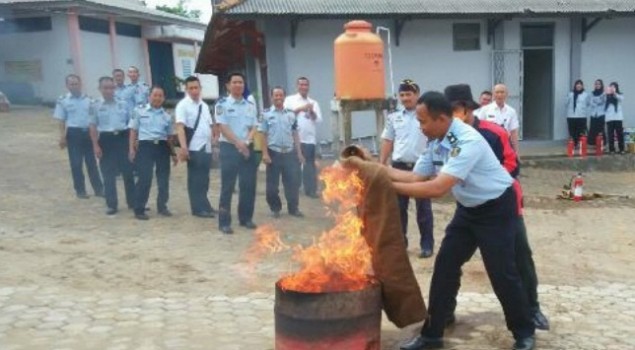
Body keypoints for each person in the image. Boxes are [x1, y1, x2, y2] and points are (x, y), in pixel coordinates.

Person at [392, 91, 535, 350]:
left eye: (423, 121)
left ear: (442, 118)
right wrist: (370, 170)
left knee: (502, 273)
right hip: (468, 209)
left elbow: (437, 188)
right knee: (445, 265)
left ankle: (524, 331)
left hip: (496, 209)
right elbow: (415, 177)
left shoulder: (466, 141)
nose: (419, 127)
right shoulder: (436, 140)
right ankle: (432, 334)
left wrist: (387, 187)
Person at [447, 84, 550, 331]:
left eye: (453, 110)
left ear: (466, 109)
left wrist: (487, 185)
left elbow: (512, 165)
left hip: (504, 206)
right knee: (449, 260)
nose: (451, 116)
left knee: (519, 258)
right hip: (470, 206)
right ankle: (445, 311)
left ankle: (532, 309)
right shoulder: (449, 137)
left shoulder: (494, 132)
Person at [379, 79, 434, 259]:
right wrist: (382, 163)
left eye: (409, 94)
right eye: (402, 95)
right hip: (399, 166)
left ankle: (426, 245)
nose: (405, 98)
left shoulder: (427, 115)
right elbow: (388, 141)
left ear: (417, 95)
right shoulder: (394, 117)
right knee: (398, 209)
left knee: (423, 209)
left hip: (421, 166)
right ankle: (401, 244)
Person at [215, 72, 259, 234]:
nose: (238, 85)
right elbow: (223, 127)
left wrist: (246, 142)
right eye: (235, 82)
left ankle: (246, 218)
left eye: (241, 82)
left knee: (248, 185)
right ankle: (224, 222)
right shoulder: (222, 104)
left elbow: (254, 126)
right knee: (228, 186)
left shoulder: (250, 105)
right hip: (229, 148)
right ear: (228, 85)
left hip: (247, 147)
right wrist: (239, 143)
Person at [128, 86, 177, 220]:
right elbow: (133, 130)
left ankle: (162, 206)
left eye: (160, 96)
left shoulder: (167, 116)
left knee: (163, 179)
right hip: (145, 146)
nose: (157, 98)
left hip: (162, 147)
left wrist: (173, 153)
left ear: (164, 98)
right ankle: (139, 209)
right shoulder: (139, 111)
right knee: (145, 178)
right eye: (155, 95)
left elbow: (169, 137)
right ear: (149, 96)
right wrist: (131, 149)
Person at [88, 77, 135, 215]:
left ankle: (132, 202)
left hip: (122, 138)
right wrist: (95, 145)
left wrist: (132, 145)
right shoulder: (95, 105)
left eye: (111, 87)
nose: (109, 91)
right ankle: (112, 204)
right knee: (108, 174)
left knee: (128, 173)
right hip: (106, 140)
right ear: (100, 89)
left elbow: (131, 124)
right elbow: (92, 126)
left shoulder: (123, 103)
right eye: (105, 88)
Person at [53, 74, 104, 199]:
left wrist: (96, 136)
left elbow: (94, 120)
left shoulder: (89, 100)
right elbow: (61, 120)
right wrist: (62, 137)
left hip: (88, 134)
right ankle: (80, 190)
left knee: (92, 163)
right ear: (67, 85)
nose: (74, 86)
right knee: (76, 164)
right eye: (71, 84)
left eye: (76, 83)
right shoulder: (63, 100)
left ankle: (99, 189)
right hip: (73, 134)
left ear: (80, 84)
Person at [260, 87, 305, 219]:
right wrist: (265, 153)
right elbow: (263, 135)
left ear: (284, 97)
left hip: (289, 153)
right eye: (275, 95)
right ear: (271, 97)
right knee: (272, 187)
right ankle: (275, 208)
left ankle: (293, 208)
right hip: (273, 153)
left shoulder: (291, 114)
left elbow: (295, 134)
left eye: (280, 95)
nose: (278, 98)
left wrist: (299, 153)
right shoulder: (266, 114)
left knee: (292, 184)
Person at [175, 76, 216, 218]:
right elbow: (180, 127)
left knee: (205, 178)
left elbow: (210, 125)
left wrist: (213, 140)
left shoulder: (204, 106)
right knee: (195, 179)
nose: (194, 91)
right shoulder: (183, 105)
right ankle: (197, 208)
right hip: (193, 147)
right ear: (186, 89)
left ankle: (205, 205)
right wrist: (183, 147)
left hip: (206, 146)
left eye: (196, 87)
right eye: (191, 88)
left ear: (200, 88)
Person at [284, 77, 322, 199]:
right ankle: (294, 188)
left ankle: (310, 190)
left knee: (310, 165)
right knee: (294, 164)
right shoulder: (290, 100)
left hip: (309, 138)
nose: (304, 87)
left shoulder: (313, 102)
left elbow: (319, 120)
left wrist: (311, 112)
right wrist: (301, 109)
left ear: (308, 87)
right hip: (295, 138)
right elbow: (285, 116)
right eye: (301, 85)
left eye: (306, 85)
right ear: (297, 86)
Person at [476, 84, 520, 153]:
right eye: (497, 92)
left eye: (502, 92)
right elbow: (477, 128)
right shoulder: (485, 109)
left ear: (507, 94)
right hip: (489, 145)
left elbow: (513, 132)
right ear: (493, 94)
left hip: (505, 145)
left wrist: (516, 151)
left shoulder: (511, 111)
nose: (499, 95)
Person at [565, 79, 590, 144]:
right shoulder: (570, 94)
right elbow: (566, 103)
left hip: (581, 116)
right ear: (575, 86)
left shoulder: (585, 94)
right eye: (577, 84)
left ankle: (579, 144)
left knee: (580, 131)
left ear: (582, 86)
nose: (578, 86)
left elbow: (588, 103)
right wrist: (568, 97)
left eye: (580, 84)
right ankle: (573, 144)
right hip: (571, 116)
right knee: (572, 131)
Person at [605, 82, 625, 154]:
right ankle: (611, 150)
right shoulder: (606, 96)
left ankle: (622, 149)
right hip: (609, 118)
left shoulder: (620, 95)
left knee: (619, 134)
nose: (612, 88)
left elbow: (621, 99)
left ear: (616, 88)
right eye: (611, 87)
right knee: (610, 135)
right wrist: (605, 93)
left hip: (618, 118)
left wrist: (614, 93)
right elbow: (600, 101)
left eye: (614, 87)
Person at [588, 79, 607, 147]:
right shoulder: (591, 93)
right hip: (593, 114)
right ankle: (592, 143)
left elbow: (604, 102)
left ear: (601, 85)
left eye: (599, 84)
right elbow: (590, 103)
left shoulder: (604, 93)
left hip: (601, 114)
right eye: (596, 84)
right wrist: (598, 101)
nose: (597, 85)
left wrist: (597, 101)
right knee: (593, 128)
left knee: (601, 129)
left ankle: (602, 143)